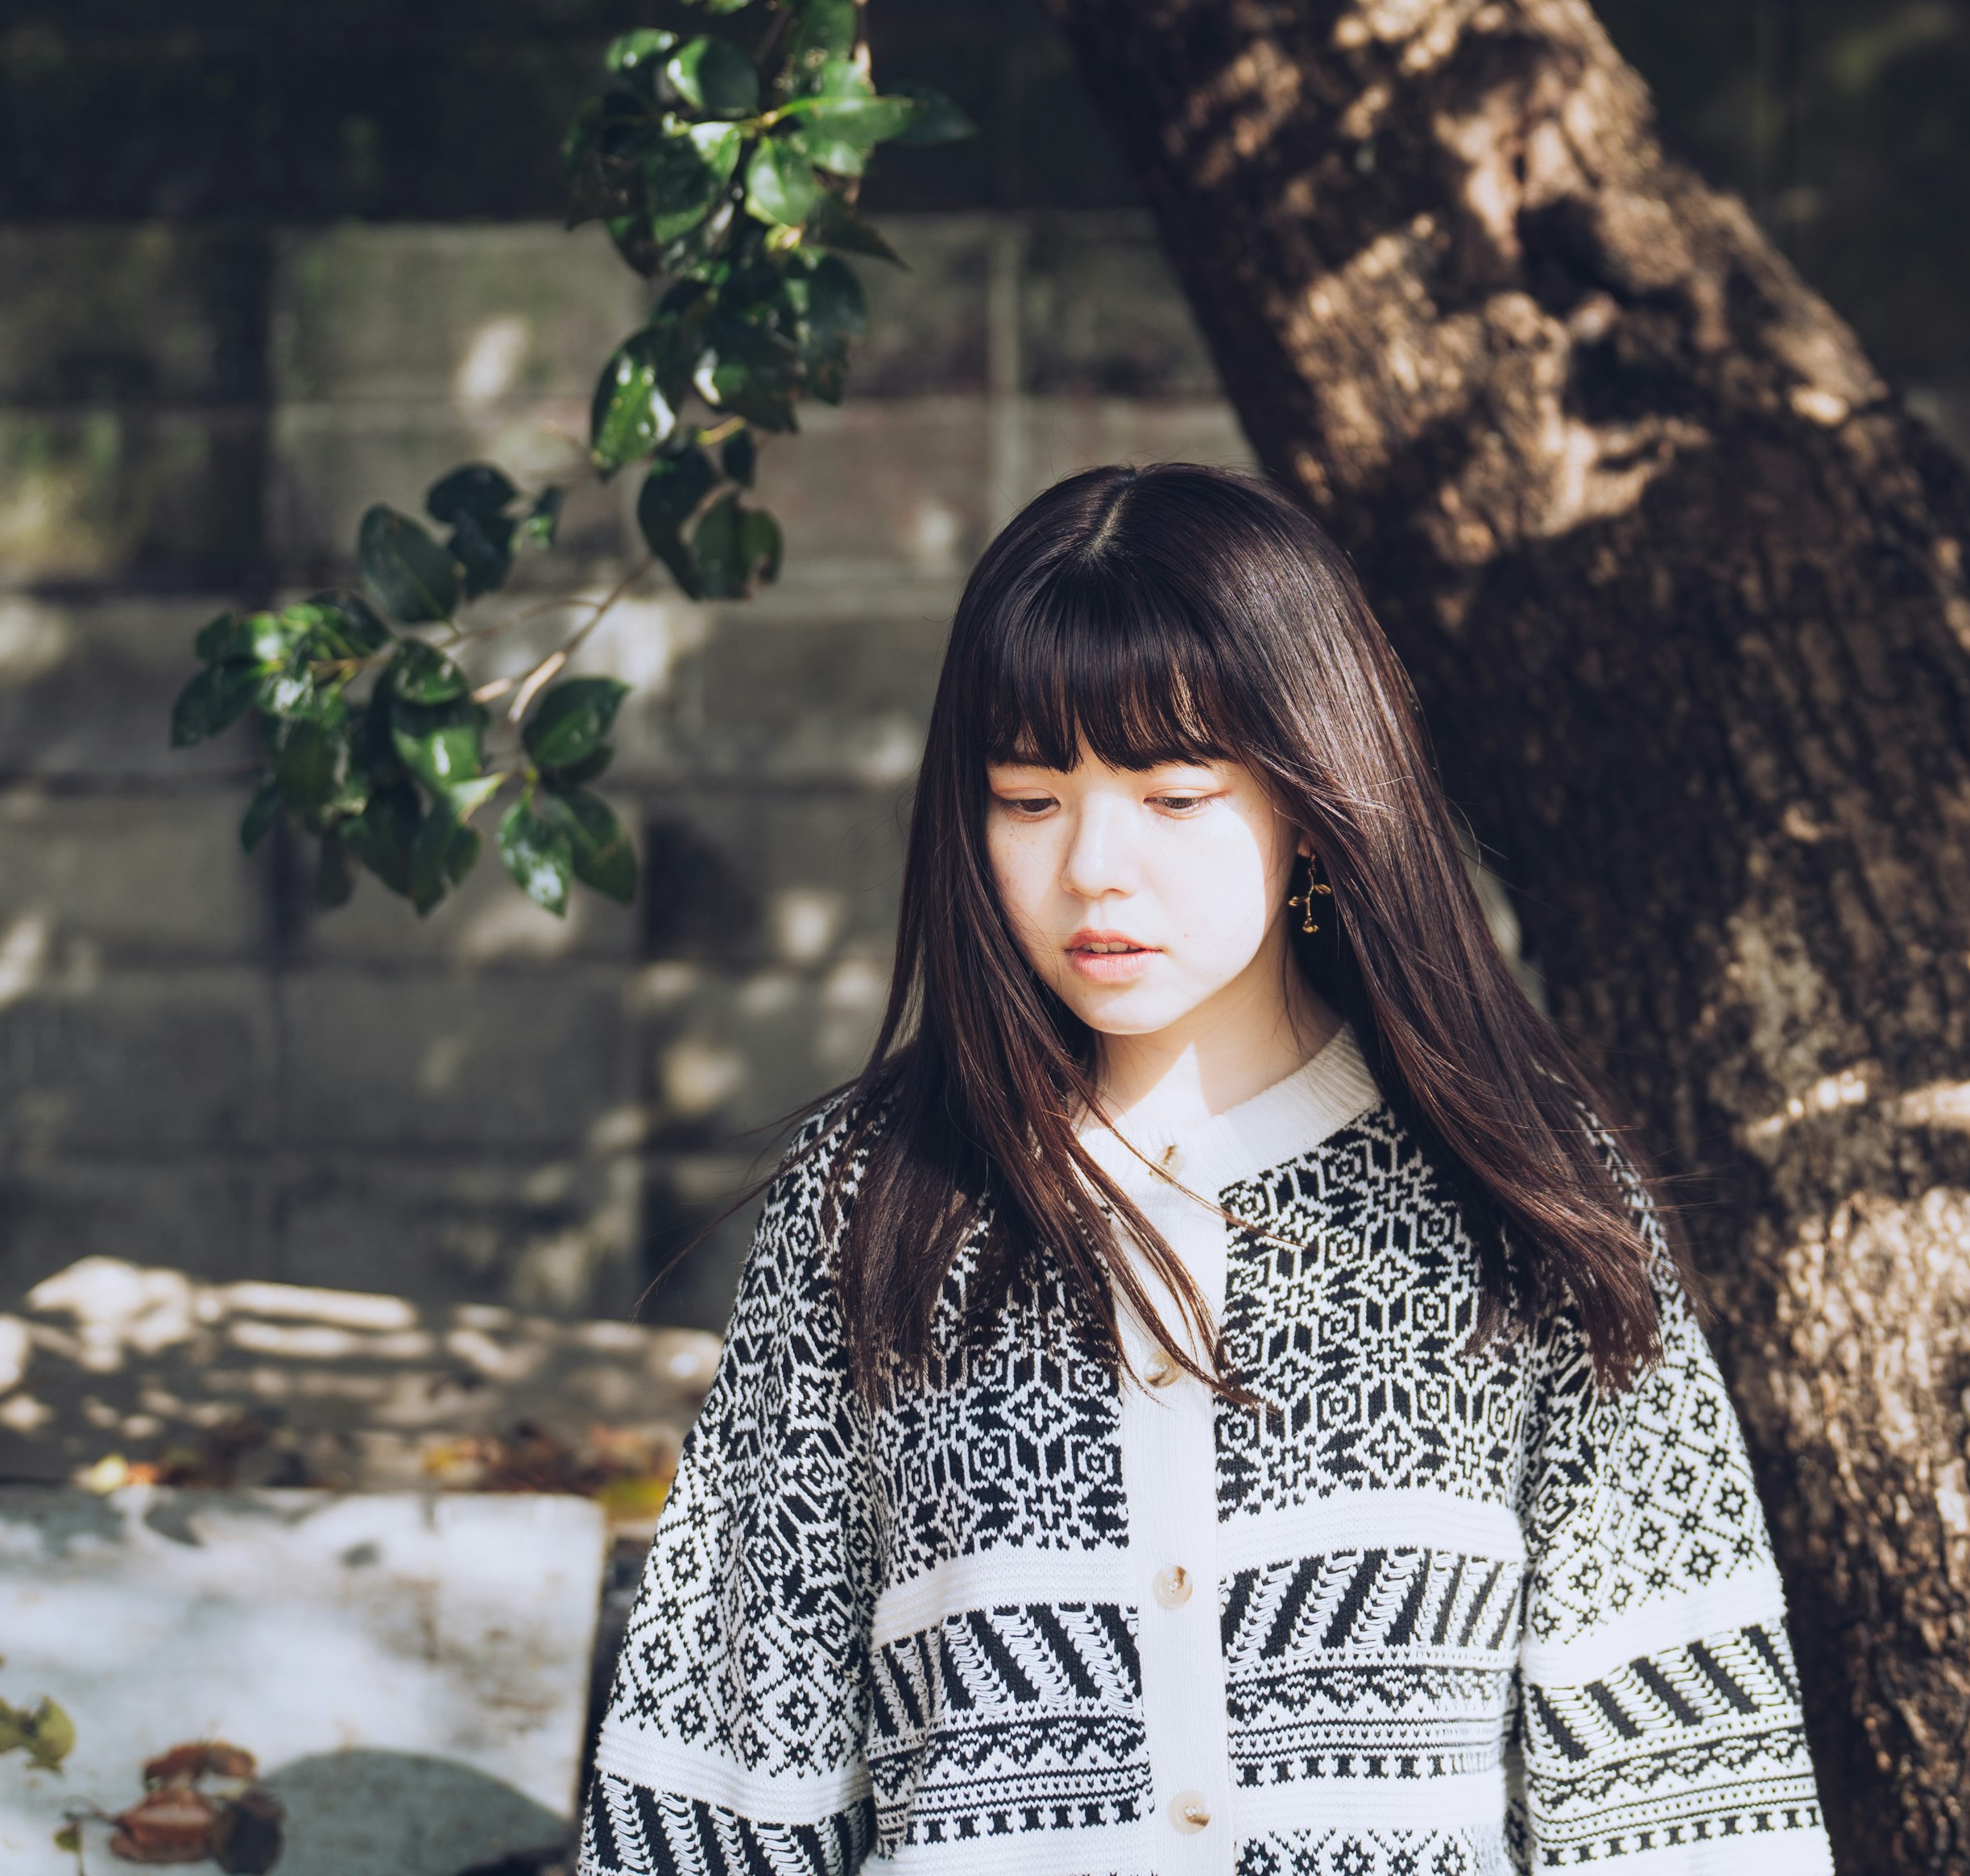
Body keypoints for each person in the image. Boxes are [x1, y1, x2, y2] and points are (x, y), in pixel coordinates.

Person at [577, 464, 1829, 1875]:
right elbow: (724, 1774)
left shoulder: (1513, 1193)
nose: (1095, 868)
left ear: (1314, 797)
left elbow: (1682, 1804)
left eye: (1174, 795)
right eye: (1029, 797)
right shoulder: (879, 1201)